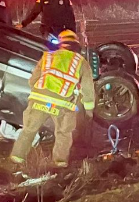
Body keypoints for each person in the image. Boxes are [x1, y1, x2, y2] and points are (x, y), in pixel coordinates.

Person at [10, 29, 96, 170]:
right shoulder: (81, 62)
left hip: (38, 99)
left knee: (28, 130)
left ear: (60, 44)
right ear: (76, 45)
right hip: (62, 104)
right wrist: (89, 110)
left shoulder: (48, 57)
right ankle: (59, 163)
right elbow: (87, 89)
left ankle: (16, 160)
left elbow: (33, 81)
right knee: (63, 133)